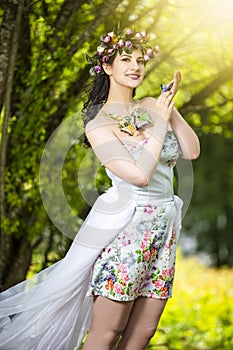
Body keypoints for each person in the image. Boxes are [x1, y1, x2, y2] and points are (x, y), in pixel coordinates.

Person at [0, 28, 200, 350]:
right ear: (107, 66)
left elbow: (191, 151)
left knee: (143, 333)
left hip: (165, 228)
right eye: (125, 59)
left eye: (140, 60)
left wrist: (168, 108)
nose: (135, 65)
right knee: (108, 331)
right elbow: (138, 174)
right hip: (128, 229)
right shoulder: (97, 123)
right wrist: (160, 122)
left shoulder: (152, 105)